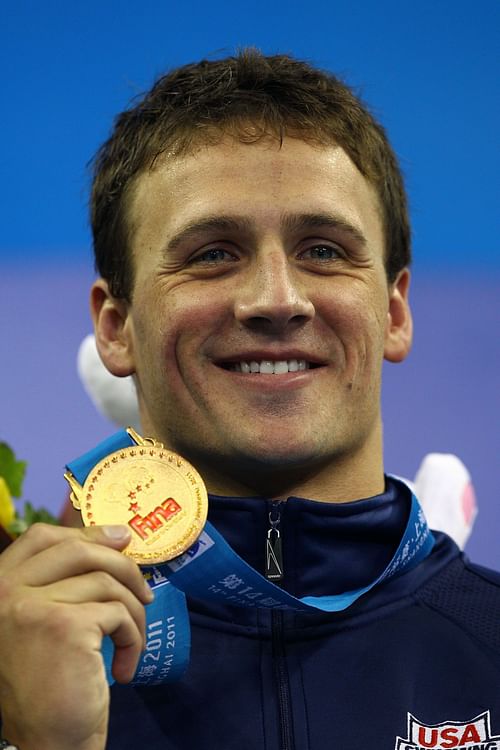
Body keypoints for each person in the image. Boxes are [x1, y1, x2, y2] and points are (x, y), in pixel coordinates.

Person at [0, 49, 499, 750]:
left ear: (394, 313)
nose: (276, 300)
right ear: (116, 328)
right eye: (212, 253)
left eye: (323, 251)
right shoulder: (17, 664)